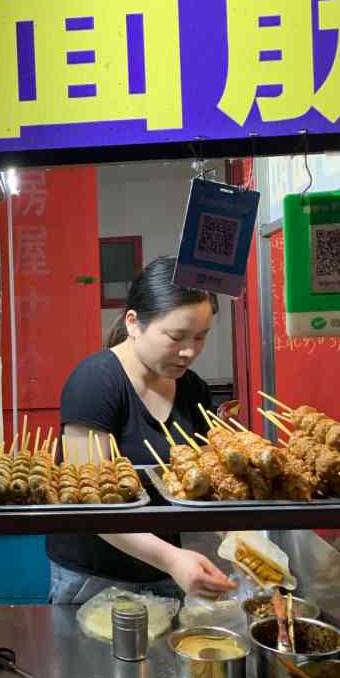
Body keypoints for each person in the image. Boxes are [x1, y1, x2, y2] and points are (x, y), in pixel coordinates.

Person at [48, 256, 235, 603]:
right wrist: (172, 559)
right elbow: (91, 506)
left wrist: (242, 543)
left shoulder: (193, 388)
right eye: (176, 336)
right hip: (94, 579)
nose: (189, 351)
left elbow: (208, 484)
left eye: (200, 337)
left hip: (166, 572)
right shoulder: (96, 382)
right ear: (134, 323)